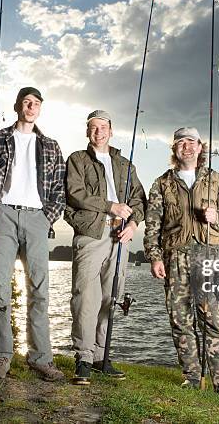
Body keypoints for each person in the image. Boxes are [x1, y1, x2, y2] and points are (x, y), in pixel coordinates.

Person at [0, 87, 66, 381]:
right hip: (3, 214)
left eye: (36, 103)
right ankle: (1, 354)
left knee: (40, 288)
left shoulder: (51, 145)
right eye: (26, 102)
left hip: (37, 217)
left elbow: (59, 189)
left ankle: (40, 357)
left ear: (40, 108)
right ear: (17, 106)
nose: (31, 107)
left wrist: (46, 217)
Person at [143, 127, 219, 397]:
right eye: (180, 142)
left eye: (191, 142)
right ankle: (192, 377)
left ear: (200, 147)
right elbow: (152, 224)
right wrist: (154, 256)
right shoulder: (162, 183)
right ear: (174, 149)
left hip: (207, 257)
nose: (186, 146)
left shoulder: (216, 180)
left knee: (215, 319)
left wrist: (216, 216)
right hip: (174, 257)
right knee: (181, 319)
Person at [64, 110, 146, 385]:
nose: (98, 132)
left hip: (120, 236)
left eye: (103, 127)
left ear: (111, 131)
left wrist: (133, 225)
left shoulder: (125, 164)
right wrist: (110, 206)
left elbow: (139, 201)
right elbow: (75, 194)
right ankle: (83, 358)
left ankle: (101, 356)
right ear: (87, 132)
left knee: (111, 298)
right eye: (93, 128)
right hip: (91, 234)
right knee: (86, 298)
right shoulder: (77, 159)